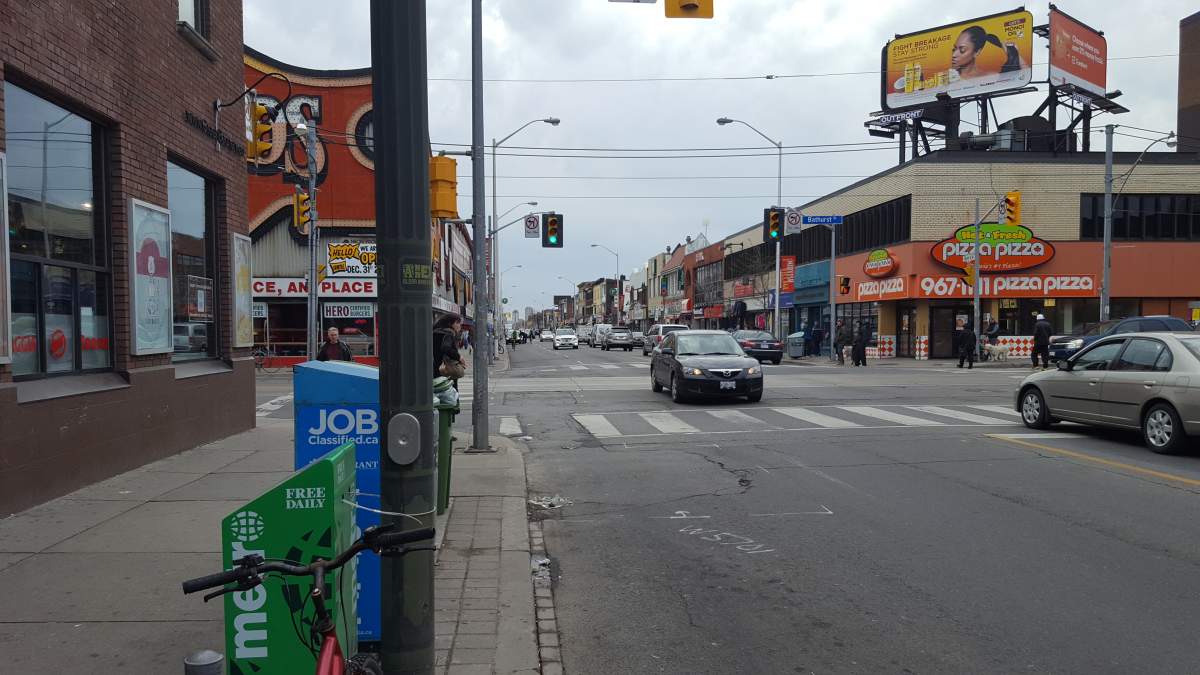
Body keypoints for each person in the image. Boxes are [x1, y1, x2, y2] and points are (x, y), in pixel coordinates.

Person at [951, 25, 1024, 79]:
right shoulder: (948, 78)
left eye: (962, 50)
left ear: (977, 52)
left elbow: (1024, 77)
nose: (954, 55)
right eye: (954, 49)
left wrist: (1013, 52)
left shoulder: (992, 77)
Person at [434, 313, 467, 381]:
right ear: (450, 323)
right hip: (447, 368)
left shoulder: (435, 332)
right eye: (457, 323)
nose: (460, 326)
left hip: (435, 367)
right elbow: (446, 348)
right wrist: (459, 357)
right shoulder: (449, 333)